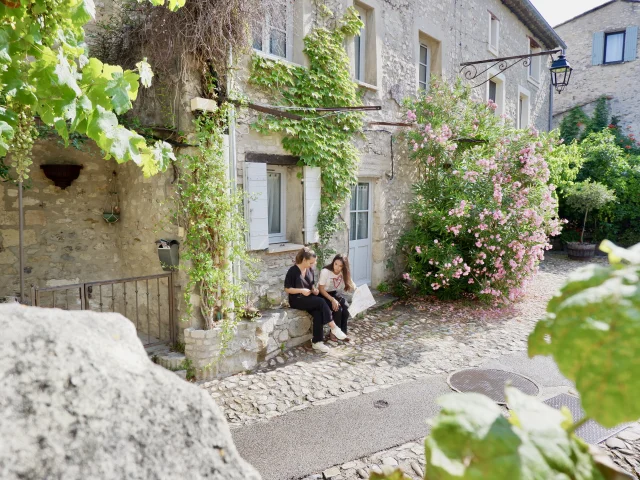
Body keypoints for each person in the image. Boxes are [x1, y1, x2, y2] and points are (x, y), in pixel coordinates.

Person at [284, 248, 348, 353]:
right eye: (311, 262)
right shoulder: (293, 271)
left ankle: (317, 342)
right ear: (304, 260)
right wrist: (301, 290)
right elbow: (287, 288)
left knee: (318, 313)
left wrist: (314, 290)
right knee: (321, 302)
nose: (312, 265)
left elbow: (311, 285)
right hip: (296, 300)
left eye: (314, 262)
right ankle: (334, 327)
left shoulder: (310, 270)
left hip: (308, 298)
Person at [318, 254, 355, 343]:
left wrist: (356, 288)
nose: (337, 267)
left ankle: (343, 332)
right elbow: (321, 289)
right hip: (322, 294)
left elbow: (351, 282)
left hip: (333, 293)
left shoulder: (343, 272)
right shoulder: (325, 271)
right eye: (336, 264)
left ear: (344, 267)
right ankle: (333, 333)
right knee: (337, 309)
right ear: (333, 262)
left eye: (340, 266)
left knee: (346, 307)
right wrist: (332, 300)